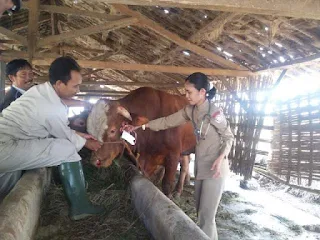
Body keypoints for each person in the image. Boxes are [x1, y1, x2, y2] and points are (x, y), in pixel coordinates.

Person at [124, 72, 234, 239]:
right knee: (200, 212)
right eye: (186, 91)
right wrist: (140, 127)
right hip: (201, 166)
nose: (186, 95)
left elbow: (229, 136)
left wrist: (221, 158)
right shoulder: (191, 111)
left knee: (206, 218)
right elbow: (166, 121)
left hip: (215, 167)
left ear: (202, 92)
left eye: (189, 92)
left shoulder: (214, 112)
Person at [0, 56, 105, 220]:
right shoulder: (50, 105)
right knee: (67, 149)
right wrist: (87, 142)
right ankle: (81, 207)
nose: (77, 90)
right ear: (59, 84)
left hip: (9, 142)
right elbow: (64, 135)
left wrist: (81, 135)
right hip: (5, 146)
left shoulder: (41, 91)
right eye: (75, 86)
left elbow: (59, 128)